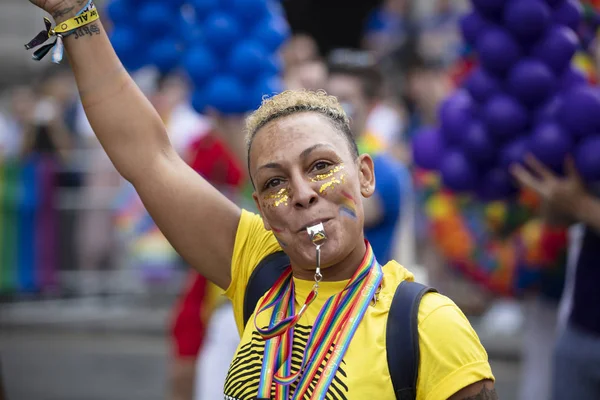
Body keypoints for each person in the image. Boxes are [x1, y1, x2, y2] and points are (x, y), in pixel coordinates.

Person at [26, 1, 497, 398]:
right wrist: (75, 15)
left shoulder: (428, 327)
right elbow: (149, 158)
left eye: (320, 166)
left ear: (365, 175)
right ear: (262, 210)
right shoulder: (257, 267)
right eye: (275, 183)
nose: (302, 193)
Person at [512, 154, 600, 400]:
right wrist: (555, 192)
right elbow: (556, 219)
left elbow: (579, 208)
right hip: (581, 327)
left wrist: (581, 205)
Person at [325, 50, 409, 264]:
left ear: (371, 105)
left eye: (344, 100)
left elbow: (339, 220)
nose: (333, 109)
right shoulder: (311, 162)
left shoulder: (386, 170)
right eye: (327, 98)